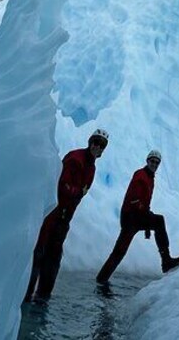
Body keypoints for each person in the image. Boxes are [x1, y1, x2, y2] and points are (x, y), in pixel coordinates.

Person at [23, 128, 109, 303]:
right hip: (53, 214)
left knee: (53, 257)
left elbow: (79, 191)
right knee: (39, 253)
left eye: (101, 145)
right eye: (95, 142)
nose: (97, 147)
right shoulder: (75, 159)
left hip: (64, 218)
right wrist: (77, 192)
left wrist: (76, 194)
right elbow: (62, 185)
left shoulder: (91, 166)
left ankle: (42, 297)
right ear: (90, 142)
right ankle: (25, 295)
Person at [95, 149, 179, 284]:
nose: (154, 164)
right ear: (147, 161)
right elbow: (135, 200)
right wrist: (147, 216)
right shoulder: (141, 175)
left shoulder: (149, 177)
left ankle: (101, 278)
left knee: (120, 251)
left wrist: (147, 220)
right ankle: (166, 261)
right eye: (152, 161)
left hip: (134, 217)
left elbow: (143, 202)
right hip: (131, 217)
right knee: (158, 221)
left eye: (156, 162)